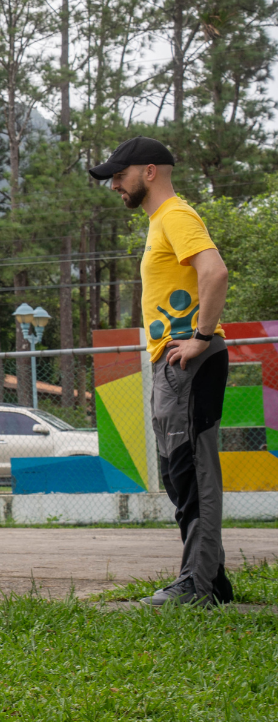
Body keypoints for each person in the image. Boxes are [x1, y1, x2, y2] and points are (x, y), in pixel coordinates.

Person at [90, 137, 231, 606]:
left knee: (193, 472)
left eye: (119, 175)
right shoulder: (160, 221)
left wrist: (202, 337)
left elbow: (215, 272)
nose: (114, 184)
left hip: (189, 359)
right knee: (179, 472)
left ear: (149, 171)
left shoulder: (176, 215)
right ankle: (213, 579)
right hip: (171, 361)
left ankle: (198, 585)